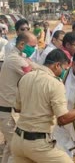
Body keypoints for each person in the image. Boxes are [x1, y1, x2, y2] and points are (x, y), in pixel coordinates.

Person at [11, 49, 75, 163]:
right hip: (46, 139)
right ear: (59, 65)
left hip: (18, 141)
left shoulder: (25, 78)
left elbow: (17, 108)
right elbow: (62, 119)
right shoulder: (56, 82)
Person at [0, 32, 38, 163]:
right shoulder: (15, 59)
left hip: (10, 111)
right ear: (22, 44)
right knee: (18, 149)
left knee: (11, 147)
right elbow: (34, 75)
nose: (34, 49)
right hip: (8, 112)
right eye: (32, 46)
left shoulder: (20, 56)